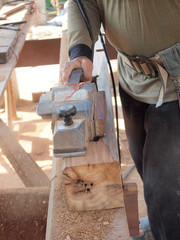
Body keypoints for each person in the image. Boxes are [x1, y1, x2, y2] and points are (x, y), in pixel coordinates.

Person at [60, 1, 180, 239]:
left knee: (163, 190)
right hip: (133, 78)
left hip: (175, 84)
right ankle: (163, 225)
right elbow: (84, 3)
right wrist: (80, 52)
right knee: (147, 169)